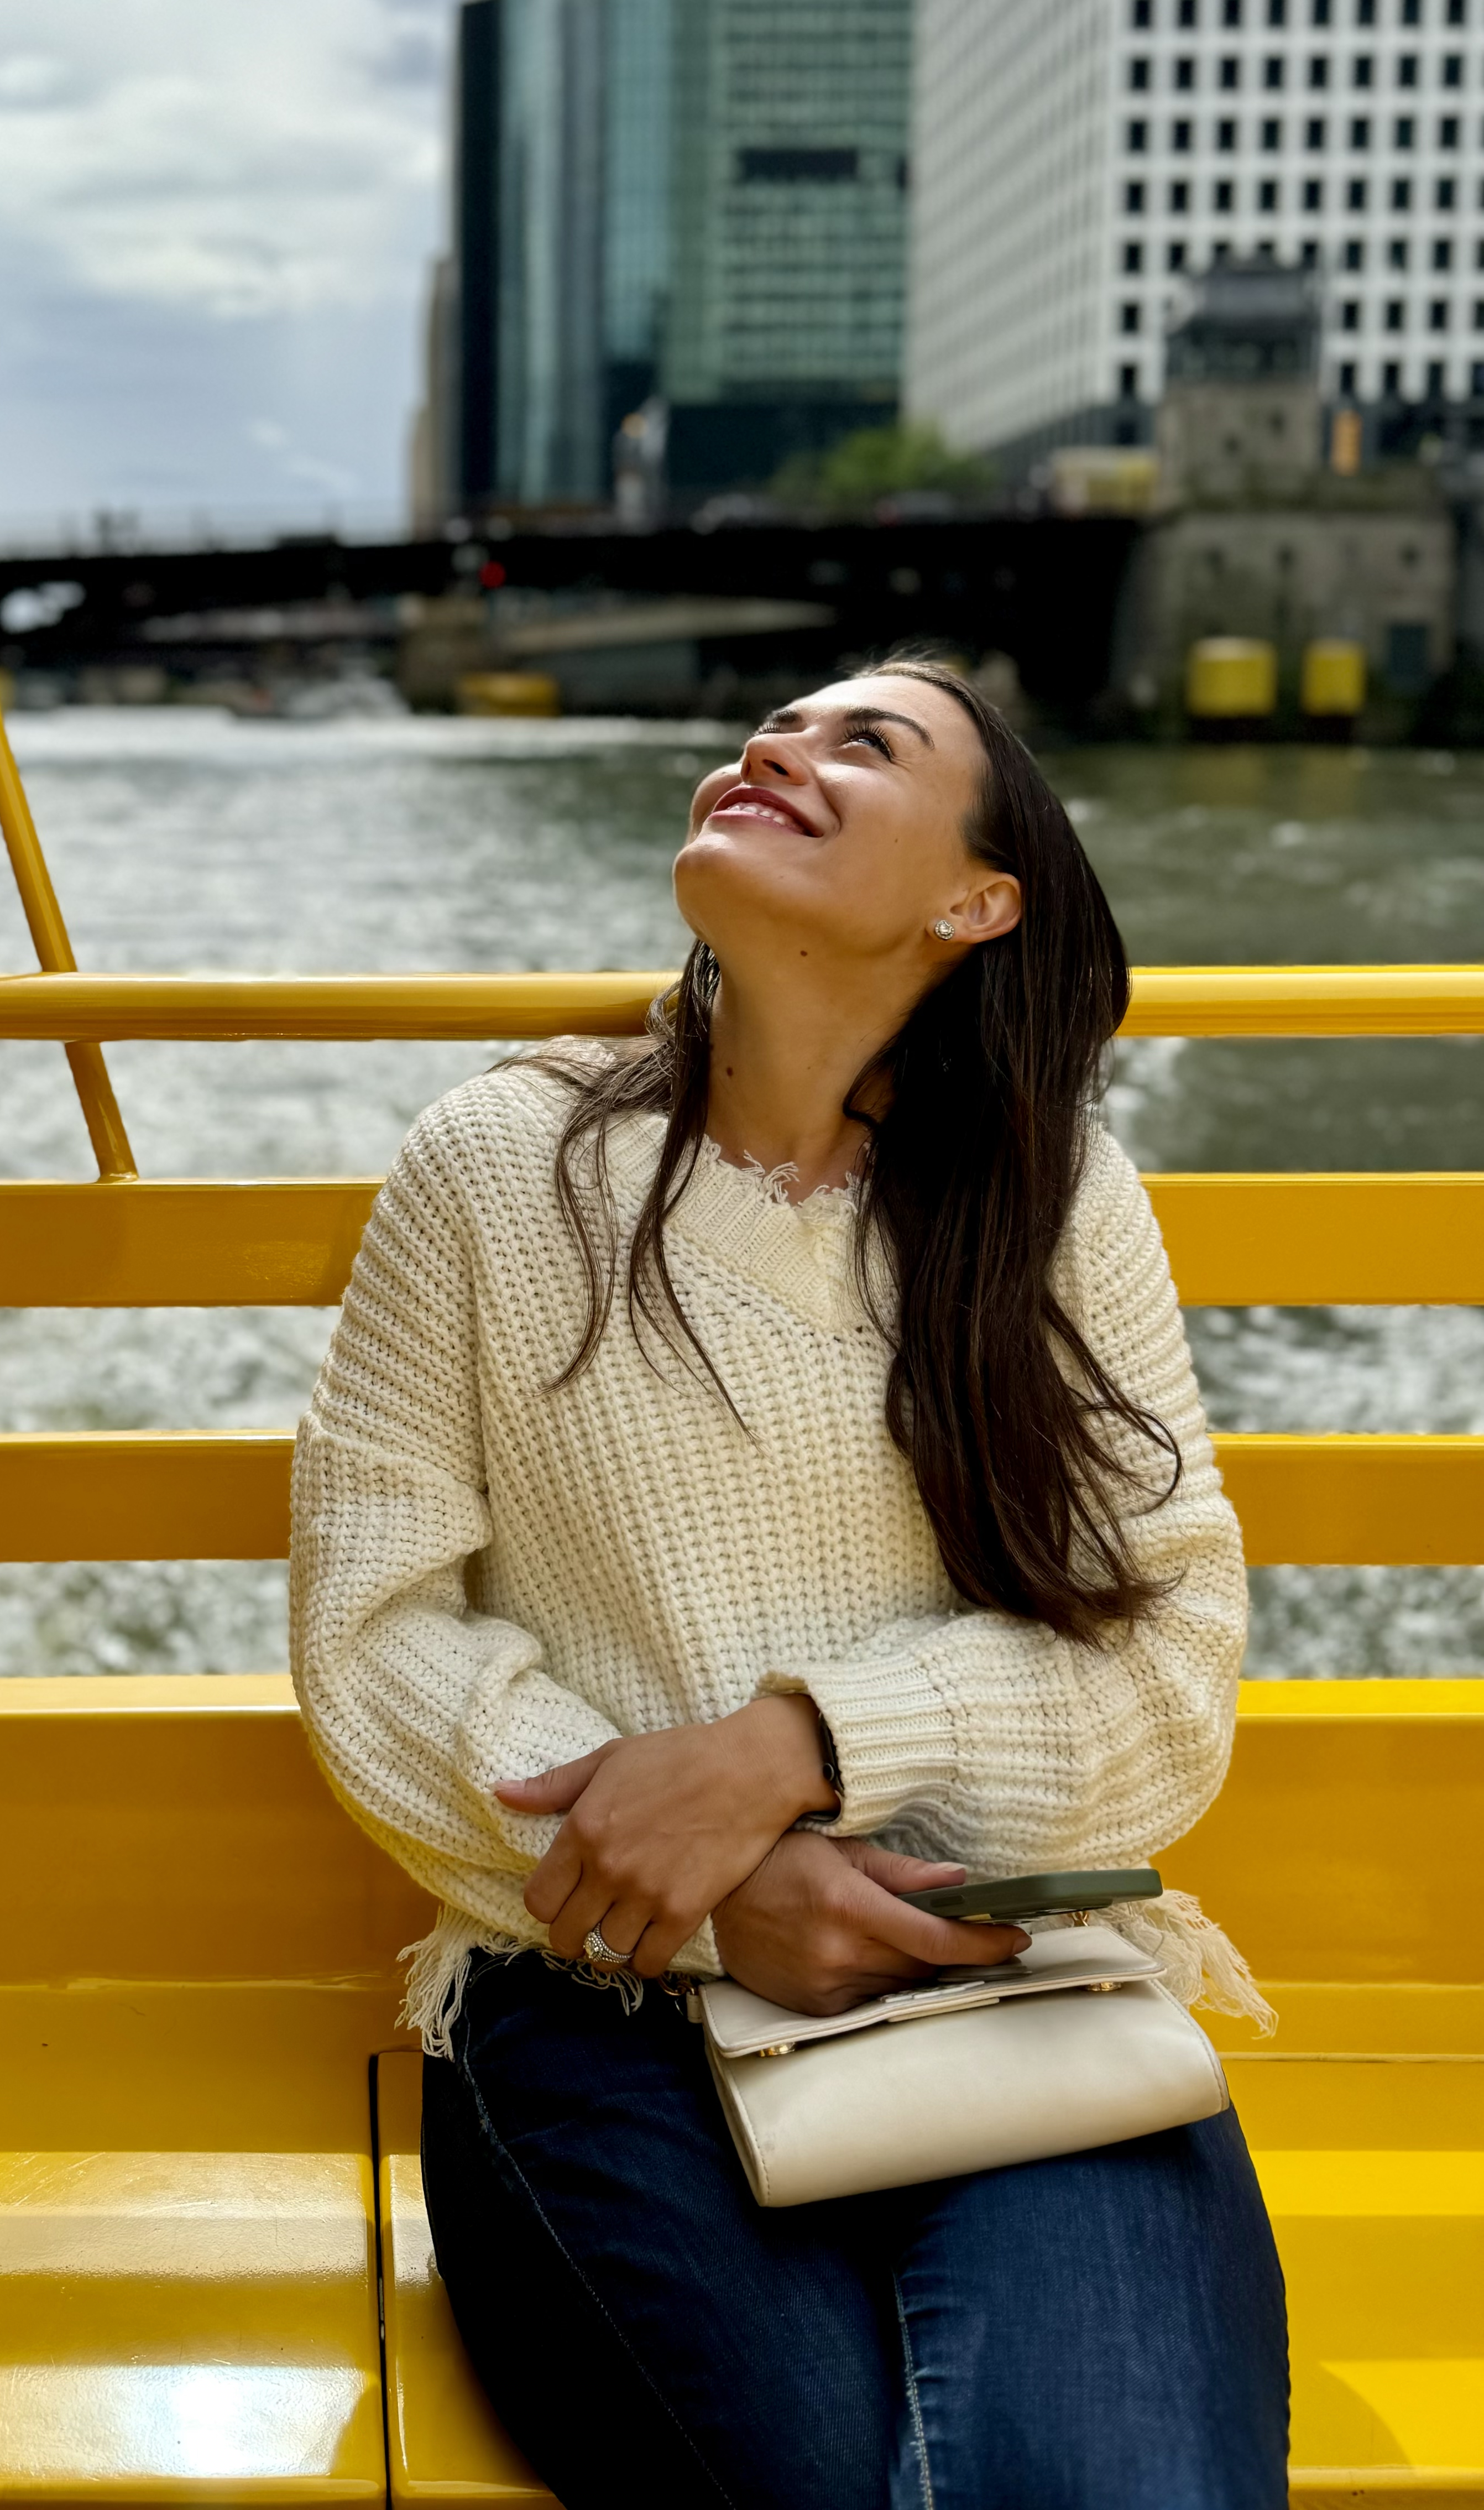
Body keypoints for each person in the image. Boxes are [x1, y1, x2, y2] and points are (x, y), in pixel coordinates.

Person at [289, 657, 1287, 2510]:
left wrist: (804, 1747)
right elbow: (377, 1632)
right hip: (596, 1991)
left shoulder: (1063, 1204)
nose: (778, 747)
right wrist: (715, 1884)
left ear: (976, 901)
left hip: (1012, 1987)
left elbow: (1172, 1668)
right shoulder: (499, 1168)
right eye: (776, 726)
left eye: (865, 741)